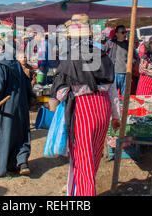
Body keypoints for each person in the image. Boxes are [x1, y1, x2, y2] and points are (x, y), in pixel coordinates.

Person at [51, 14, 121, 196]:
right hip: (103, 110)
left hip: (83, 110)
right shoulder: (103, 55)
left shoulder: (70, 60)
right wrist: (116, 116)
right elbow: (112, 89)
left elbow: (61, 93)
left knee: (83, 161)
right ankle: (78, 191)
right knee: (95, 155)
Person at [0, 38, 36, 177]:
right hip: (21, 104)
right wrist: (31, 98)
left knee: (4, 134)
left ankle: (6, 166)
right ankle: (22, 162)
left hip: (6, 106)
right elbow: (26, 82)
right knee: (20, 134)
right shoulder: (15, 62)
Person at [103, 25, 137, 96]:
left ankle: (123, 107)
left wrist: (131, 63)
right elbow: (101, 53)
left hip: (126, 73)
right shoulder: (110, 43)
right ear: (116, 33)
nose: (125, 34)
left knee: (125, 95)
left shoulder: (128, 44)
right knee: (112, 95)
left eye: (125, 32)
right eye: (122, 32)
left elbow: (134, 57)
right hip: (113, 73)